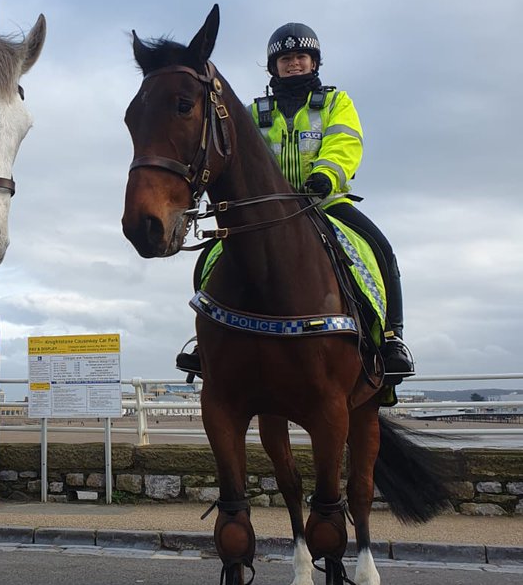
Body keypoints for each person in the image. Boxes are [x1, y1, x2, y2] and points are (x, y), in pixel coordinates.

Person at [176, 22, 414, 381]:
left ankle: (391, 338)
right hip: (265, 211)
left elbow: (345, 142)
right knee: (212, 257)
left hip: (325, 201)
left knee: (381, 249)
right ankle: (205, 339)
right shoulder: (253, 112)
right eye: (285, 58)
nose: (294, 63)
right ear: (274, 67)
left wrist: (325, 175)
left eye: (301, 56)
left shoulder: (336, 102)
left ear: (314, 62)